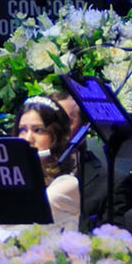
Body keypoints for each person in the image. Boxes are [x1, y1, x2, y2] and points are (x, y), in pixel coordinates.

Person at [14, 96, 80, 228]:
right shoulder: (15, 178)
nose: (28, 139)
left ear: (56, 136)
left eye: (38, 130)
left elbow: (24, 217)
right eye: (22, 130)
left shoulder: (68, 184)